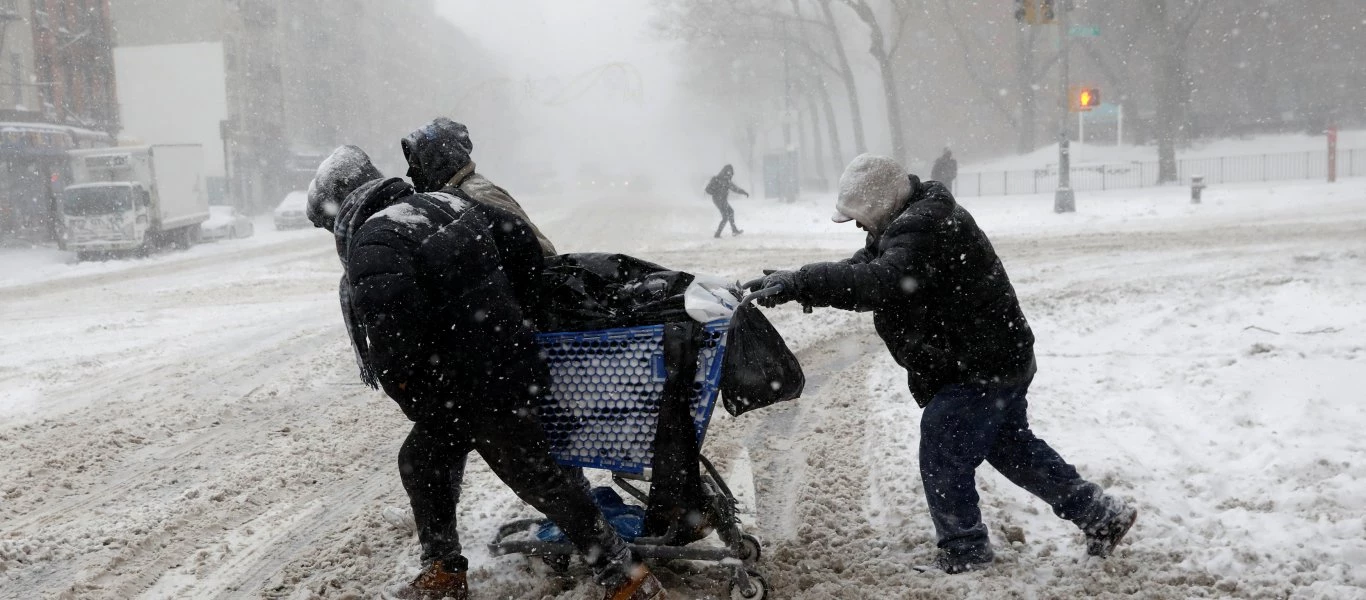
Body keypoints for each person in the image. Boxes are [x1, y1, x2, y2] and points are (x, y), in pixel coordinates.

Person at [744, 154, 1137, 574]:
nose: (857, 225)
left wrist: (802, 283)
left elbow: (881, 281)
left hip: (980, 365)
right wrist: (796, 281)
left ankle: (964, 551)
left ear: (881, 202)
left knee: (944, 444)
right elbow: (867, 268)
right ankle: (1100, 515)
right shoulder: (911, 220)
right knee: (1010, 447)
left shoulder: (924, 225)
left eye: (860, 216)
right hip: (994, 357)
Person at [307, 146, 664, 600]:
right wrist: (514, 318)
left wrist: (418, 394)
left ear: (341, 207)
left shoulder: (376, 240)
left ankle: (628, 578)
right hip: (498, 369)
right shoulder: (443, 202)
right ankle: (443, 570)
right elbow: (519, 242)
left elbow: (395, 342)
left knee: (540, 479)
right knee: (423, 459)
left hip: (472, 387)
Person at [402, 117, 557, 256]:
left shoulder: (477, 194)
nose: (410, 174)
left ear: (438, 161)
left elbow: (542, 251)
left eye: (416, 165)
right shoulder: (455, 198)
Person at [704, 164, 748, 238]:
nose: (729, 173)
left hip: (722, 200)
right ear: (725, 171)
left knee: (730, 212)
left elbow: (735, 189)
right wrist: (715, 191)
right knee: (726, 216)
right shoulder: (717, 179)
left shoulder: (727, 181)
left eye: (730, 172)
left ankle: (733, 230)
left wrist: (743, 192)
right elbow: (707, 189)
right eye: (728, 171)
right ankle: (718, 234)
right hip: (718, 200)